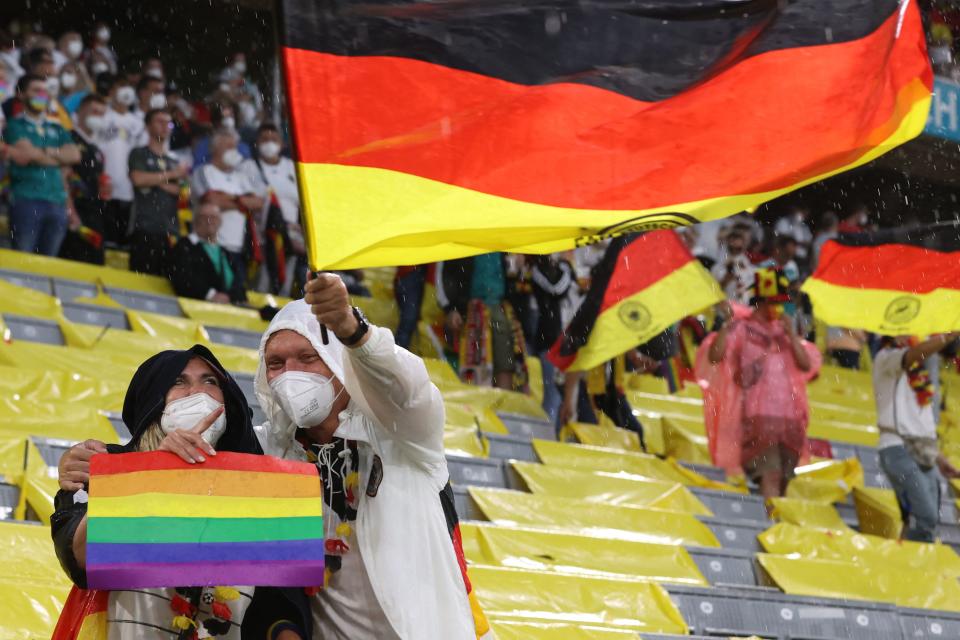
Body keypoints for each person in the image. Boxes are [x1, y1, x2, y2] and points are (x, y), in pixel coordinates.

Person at [254, 274, 490, 638]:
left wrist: (350, 329)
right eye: (276, 364)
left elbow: (406, 386)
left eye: (307, 358)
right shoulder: (271, 452)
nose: (290, 376)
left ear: (336, 360)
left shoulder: (403, 431)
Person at [51, 346, 311, 639]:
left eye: (210, 381)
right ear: (152, 398)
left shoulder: (258, 490)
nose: (196, 393)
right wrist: (156, 473)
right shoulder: (101, 470)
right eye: (178, 382)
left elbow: (281, 608)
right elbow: (82, 559)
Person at [700, 269, 821, 499]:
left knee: (784, 481)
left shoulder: (783, 332)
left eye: (781, 304)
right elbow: (715, 356)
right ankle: (771, 529)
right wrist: (726, 325)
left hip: (789, 420)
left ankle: (770, 520)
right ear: (761, 301)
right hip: (756, 419)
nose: (778, 309)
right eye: (774, 303)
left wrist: (792, 335)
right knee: (770, 475)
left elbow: (806, 365)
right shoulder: (742, 329)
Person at [874, 333, 960, 542]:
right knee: (925, 517)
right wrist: (949, 335)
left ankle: (907, 565)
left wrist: (941, 460)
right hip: (897, 448)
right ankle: (908, 568)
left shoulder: (921, 373)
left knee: (925, 523)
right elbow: (913, 355)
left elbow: (919, 425)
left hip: (925, 453)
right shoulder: (886, 357)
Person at [4, 74, 80, 255]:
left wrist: (44, 153)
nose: (42, 96)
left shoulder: (57, 127)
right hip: (26, 200)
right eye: (36, 90)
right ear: (20, 95)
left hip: (57, 202)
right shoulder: (14, 125)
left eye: (45, 92)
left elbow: (75, 155)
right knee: (23, 262)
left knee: (48, 266)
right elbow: (25, 155)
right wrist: (59, 156)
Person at [437, 253, 528, 390]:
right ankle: (477, 407)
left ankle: (503, 405)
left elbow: (516, 277)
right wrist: (451, 308)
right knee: (474, 367)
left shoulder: (506, 239)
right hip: (467, 311)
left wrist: (520, 270)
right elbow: (444, 274)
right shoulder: (459, 239)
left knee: (506, 362)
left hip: (500, 307)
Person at [192, 130, 264, 286]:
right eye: (230, 147)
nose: (235, 152)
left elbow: (258, 203)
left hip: (237, 246)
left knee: (236, 292)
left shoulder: (241, 177)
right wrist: (242, 203)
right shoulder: (204, 171)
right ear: (216, 149)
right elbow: (211, 200)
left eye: (236, 147)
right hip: (211, 245)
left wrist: (229, 199)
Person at [240, 123, 305, 296]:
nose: (269, 143)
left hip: (290, 234)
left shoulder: (292, 167)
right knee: (262, 280)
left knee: (285, 276)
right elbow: (244, 198)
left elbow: (302, 203)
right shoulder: (248, 166)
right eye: (264, 139)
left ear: (282, 143)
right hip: (261, 232)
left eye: (273, 139)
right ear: (257, 142)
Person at [128, 108, 188, 275]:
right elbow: (138, 180)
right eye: (159, 122)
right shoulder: (139, 153)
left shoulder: (174, 160)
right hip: (144, 227)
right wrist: (172, 175)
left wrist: (154, 180)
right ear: (147, 126)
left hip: (171, 231)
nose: (164, 126)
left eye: (168, 123)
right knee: (141, 279)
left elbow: (182, 191)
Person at [59, 93, 109, 264]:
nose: (98, 117)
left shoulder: (96, 149)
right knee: (71, 263)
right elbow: (62, 177)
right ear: (80, 110)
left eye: (102, 113)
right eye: (94, 111)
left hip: (94, 213)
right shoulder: (68, 137)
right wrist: (70, 211)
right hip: (74, 211)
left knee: (94, 263)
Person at [168, 203, 247, 303]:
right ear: (195, 221)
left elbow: (238, 283)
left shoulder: (226, 252)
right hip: (195, 309)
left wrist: (231, 297)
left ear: (220, 222)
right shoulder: (184, 246)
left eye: (213, 217)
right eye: (204, 217)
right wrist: (210, 295)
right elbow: (182, 277)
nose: (209, 221)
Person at [97, 74, 143, 245]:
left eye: (128, 88)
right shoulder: (102, 116)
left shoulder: (138, 123)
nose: (125, 92)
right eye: (120, 88)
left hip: (127, 187)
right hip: (104, 183)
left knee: (121, 237)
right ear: (112, 92)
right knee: (104, 235)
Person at [530, 253, 574, 422]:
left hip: (565, 342)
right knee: (552, 395)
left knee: (564, 395)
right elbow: (556, 289)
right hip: (548, 340)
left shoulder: (562, 268)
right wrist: (566, 268)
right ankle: (547, 434)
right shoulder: (538, 268)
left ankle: (555, 435)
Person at [710, 229, 755, 305]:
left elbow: (751, 293)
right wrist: (726, 280)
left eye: (738, 248)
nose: (735, 250)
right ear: (727, 244)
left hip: (742, 309)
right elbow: (712, 292)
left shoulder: (751, 270)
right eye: (732, 246)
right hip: (722, 309)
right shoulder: (717, 268)